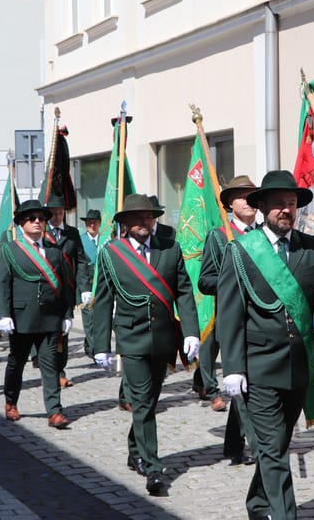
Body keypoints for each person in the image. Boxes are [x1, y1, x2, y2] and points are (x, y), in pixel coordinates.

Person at [216, 170, 314, 520]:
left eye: (291, 204)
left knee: (277, 447)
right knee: (272, 451)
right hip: (258, 368)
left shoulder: (311, 248)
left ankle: (258, 504)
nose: (286, 210)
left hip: (298, 368)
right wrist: (233, 368)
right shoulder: (242, 250)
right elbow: (230, 313)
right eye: (278, 205)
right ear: (262, 209)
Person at [93, 193, 200, 496]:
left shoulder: (170, 249)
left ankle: (134, 449)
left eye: (149, 216)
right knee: (142, 403)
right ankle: (153, 468)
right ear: (124, 223)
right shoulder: (112, 253)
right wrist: (101, 344)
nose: (145, 221)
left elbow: (183, 291)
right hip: (131, 338)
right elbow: (102, 301)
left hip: (164, 338)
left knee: (148, 402)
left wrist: (191, 331)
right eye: (138, 217)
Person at [195, 175, 260, 465]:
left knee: (249, 385)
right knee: (245, 384)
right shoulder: (220, 236)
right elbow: (205, 280)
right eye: (241, 196)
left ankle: (233, 444)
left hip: (262, 321)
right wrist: (233, 281)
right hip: (234, 322)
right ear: (230, 204)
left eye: (251, 195)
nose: (248, 201)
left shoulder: (262, 234)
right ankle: (260, 450)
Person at [0, 200, 74, 428]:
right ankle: (11, 402)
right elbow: (2, 284)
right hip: (21, 318)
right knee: (16, 363)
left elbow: (65, 287)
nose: (38, 222)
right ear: (21, 223)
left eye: (41, 218)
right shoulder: (9, 250)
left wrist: (67, 314)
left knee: (50, 364)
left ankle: (54, 411)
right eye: (31, 219)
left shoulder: (54, 252)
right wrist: (3, 314)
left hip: (50, 317)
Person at [43, 195, 86, 388]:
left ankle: (60, 370)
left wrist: (83, 287)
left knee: (64, 332)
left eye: (61, 213)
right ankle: (47, 367)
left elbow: (81, 260)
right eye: (54, 213)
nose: (58, 216)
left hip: (66, 290)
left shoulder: (72, 233)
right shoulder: (41, 233)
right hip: (45, 290)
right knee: (47, 333)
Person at [77, 208, 101, 358]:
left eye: (94, 222)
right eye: (89, 222)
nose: (91, 225)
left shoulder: (105, 239)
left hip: (101, 282)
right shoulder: (80, 240)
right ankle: (93, 349)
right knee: (89, 317)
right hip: (86, 282)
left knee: (100, 317)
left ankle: (90, 343)